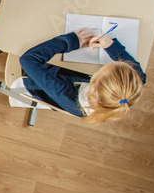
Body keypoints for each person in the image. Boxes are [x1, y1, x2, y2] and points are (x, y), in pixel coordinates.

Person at [16, 25, 145, 124]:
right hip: (63, 75)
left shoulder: (66, 94)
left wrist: (70, 41)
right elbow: (139, 76)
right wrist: (111, 46)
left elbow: (28, 60)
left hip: (34, 79)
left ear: (93, 85)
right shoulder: (125, 93)